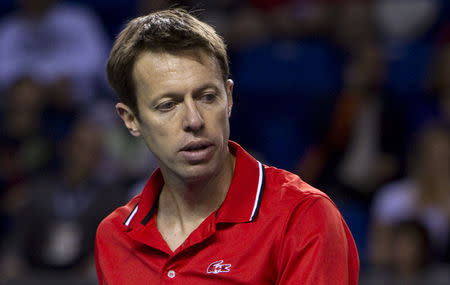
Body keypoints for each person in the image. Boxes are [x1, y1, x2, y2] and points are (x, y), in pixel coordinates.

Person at [95, 8, 359, 284]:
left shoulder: (304, 217)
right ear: (131, 119)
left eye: (207, 97)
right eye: (168, 105)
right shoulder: (114, 236)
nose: (194, 120)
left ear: (229, 98)